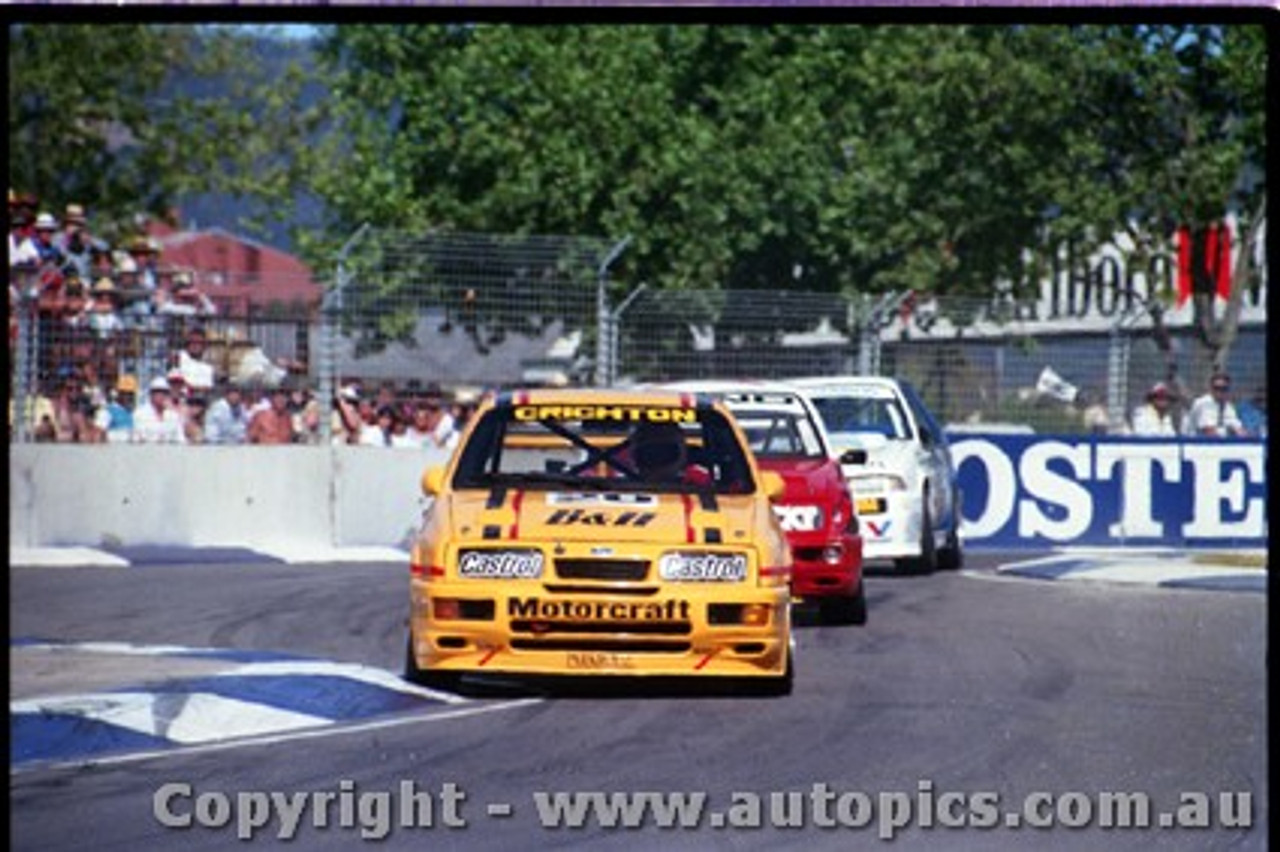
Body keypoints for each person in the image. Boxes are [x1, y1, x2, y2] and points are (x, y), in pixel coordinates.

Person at [1183, 372, 1247, 437]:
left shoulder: (1228, 407)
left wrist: (1240, 432)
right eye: (1216, 388)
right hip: (1189, 442)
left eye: (1223, 388)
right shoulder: (1203, 403)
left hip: (1208, 443)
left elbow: (1240, 431)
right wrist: (1229, 431)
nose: (1219, 392)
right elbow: (1209, 432)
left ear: (1228, 390)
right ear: (1211, 389)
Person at [131, 376, 186, 444]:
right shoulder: (140, 414)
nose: (162, 395)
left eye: (165, 392)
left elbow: (180, 439)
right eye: (158, 392)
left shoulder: (173, 416)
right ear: (151, 394)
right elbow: (137, 438)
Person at [204, 380, 251, 444]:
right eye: (232, 394)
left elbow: (244, 427)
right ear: (226, 395)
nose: (235, 397)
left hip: (238, 445)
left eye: (237, 394)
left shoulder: (241, 408)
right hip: (219, 445)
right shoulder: (217, 408)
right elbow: (212, 435)